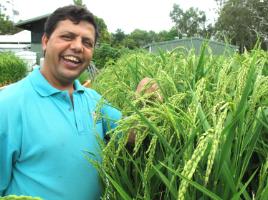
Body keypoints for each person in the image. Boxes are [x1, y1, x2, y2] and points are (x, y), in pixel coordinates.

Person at [0, 5, 122, 200]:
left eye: (87, 42)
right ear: (46, 41)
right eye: (67, 37)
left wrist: (148, 100)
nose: (77, 46)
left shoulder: (94, 101)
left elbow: (132, 133)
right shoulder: (8, 106)